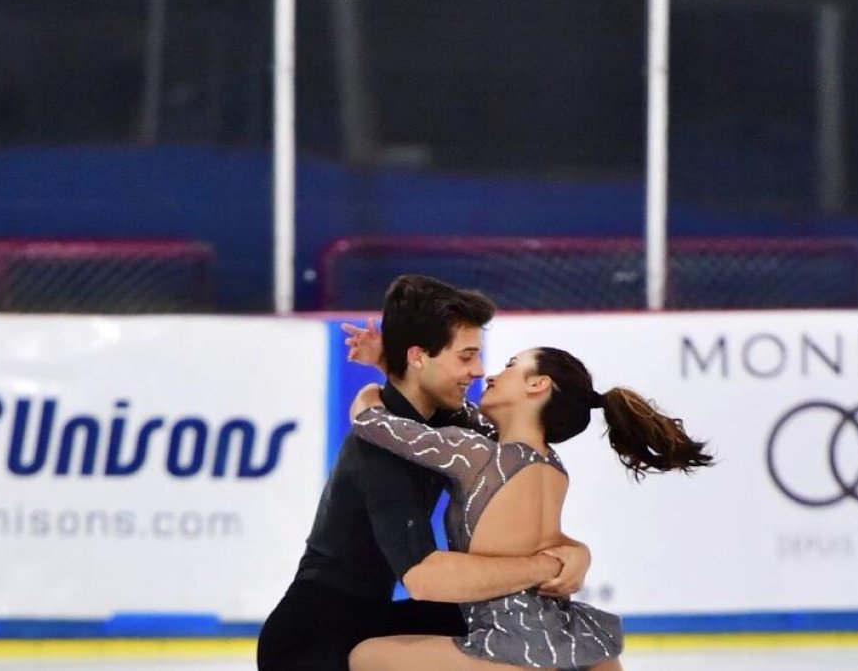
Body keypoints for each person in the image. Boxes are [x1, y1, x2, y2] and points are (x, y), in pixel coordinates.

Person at [256, 275, 591, 670]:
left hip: (373, 621)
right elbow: (424, 578)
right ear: (418, 357)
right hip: (313, 643)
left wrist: (575, 553)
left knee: (547, 633)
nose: (479, 371)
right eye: (465, 357)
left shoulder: (447, 422)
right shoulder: (381, 448)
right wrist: (544, 567)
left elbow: (526, 509)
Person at [343, 345, 713, 670]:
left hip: (509, 649)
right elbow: (461, 414)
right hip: (572, 641)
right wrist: (390, 364)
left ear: (538, 385)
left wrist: (371, 390)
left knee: (364, 656)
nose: (491, 373)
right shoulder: (553, 468)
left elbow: (373, 423)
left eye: (510, 364)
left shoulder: (475, 455)